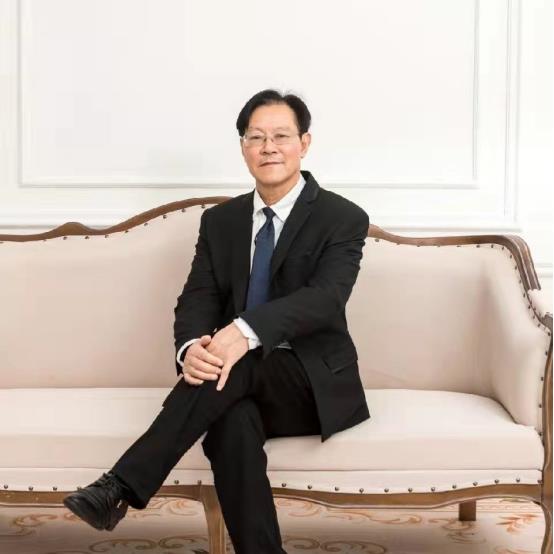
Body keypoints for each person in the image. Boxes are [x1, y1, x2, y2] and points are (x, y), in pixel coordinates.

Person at [63, 89, 371, 553]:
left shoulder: (342, 217)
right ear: (243, 147)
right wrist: (191, 350)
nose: (268, 147)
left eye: (281, 136)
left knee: (237, 361)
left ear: (304, 144)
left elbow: (325, 299)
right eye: (256, 137)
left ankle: (121, 485)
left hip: (310, 383)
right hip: (230, 381)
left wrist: (243, 333)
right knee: (231, 425)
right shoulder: (220, 222)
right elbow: (198, 298)